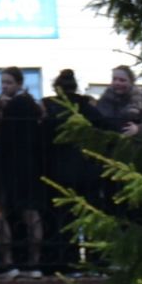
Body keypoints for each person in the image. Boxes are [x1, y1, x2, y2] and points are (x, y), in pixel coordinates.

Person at [43, 69, 102, 269]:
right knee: (90, 215)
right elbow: (106, 129)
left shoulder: (51, 108)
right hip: (87, 168)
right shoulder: (85, 106)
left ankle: (66, 259)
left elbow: (44, 138)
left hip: (60, 170)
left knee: (64, 218)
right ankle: (95, 259)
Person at [0, 67, 46, 275]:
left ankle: (9, 262)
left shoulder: (14, 106)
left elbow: (7, 139)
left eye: (8, 83)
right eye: (3, 82)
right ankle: (34, 262)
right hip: (30, 167)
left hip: (14, 168)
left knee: (5, 213)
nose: (5, 87)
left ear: (19, 83)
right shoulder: (32, 106)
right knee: (31, 215)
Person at [93, 65, 142, 142]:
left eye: (122, 80)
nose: (117, 83)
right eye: (114, 79)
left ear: (131, 82)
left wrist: (139, 129)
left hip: (135, 148)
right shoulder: (104, 100)